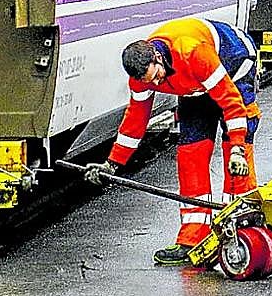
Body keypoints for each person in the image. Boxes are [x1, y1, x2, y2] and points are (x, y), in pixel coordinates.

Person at [86, 17, 260, 266]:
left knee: (235, 157)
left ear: (158, 57)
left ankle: (244, 228)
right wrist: (111, 165)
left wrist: (237, 150)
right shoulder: (142, 76)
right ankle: (193, 239)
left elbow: (231, 103)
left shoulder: (192, 52)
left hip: (234, 64)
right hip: (192, 85)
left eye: (156, 76)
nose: (156, 84)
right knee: (191, 154)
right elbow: (135, 121)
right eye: (149, 82)